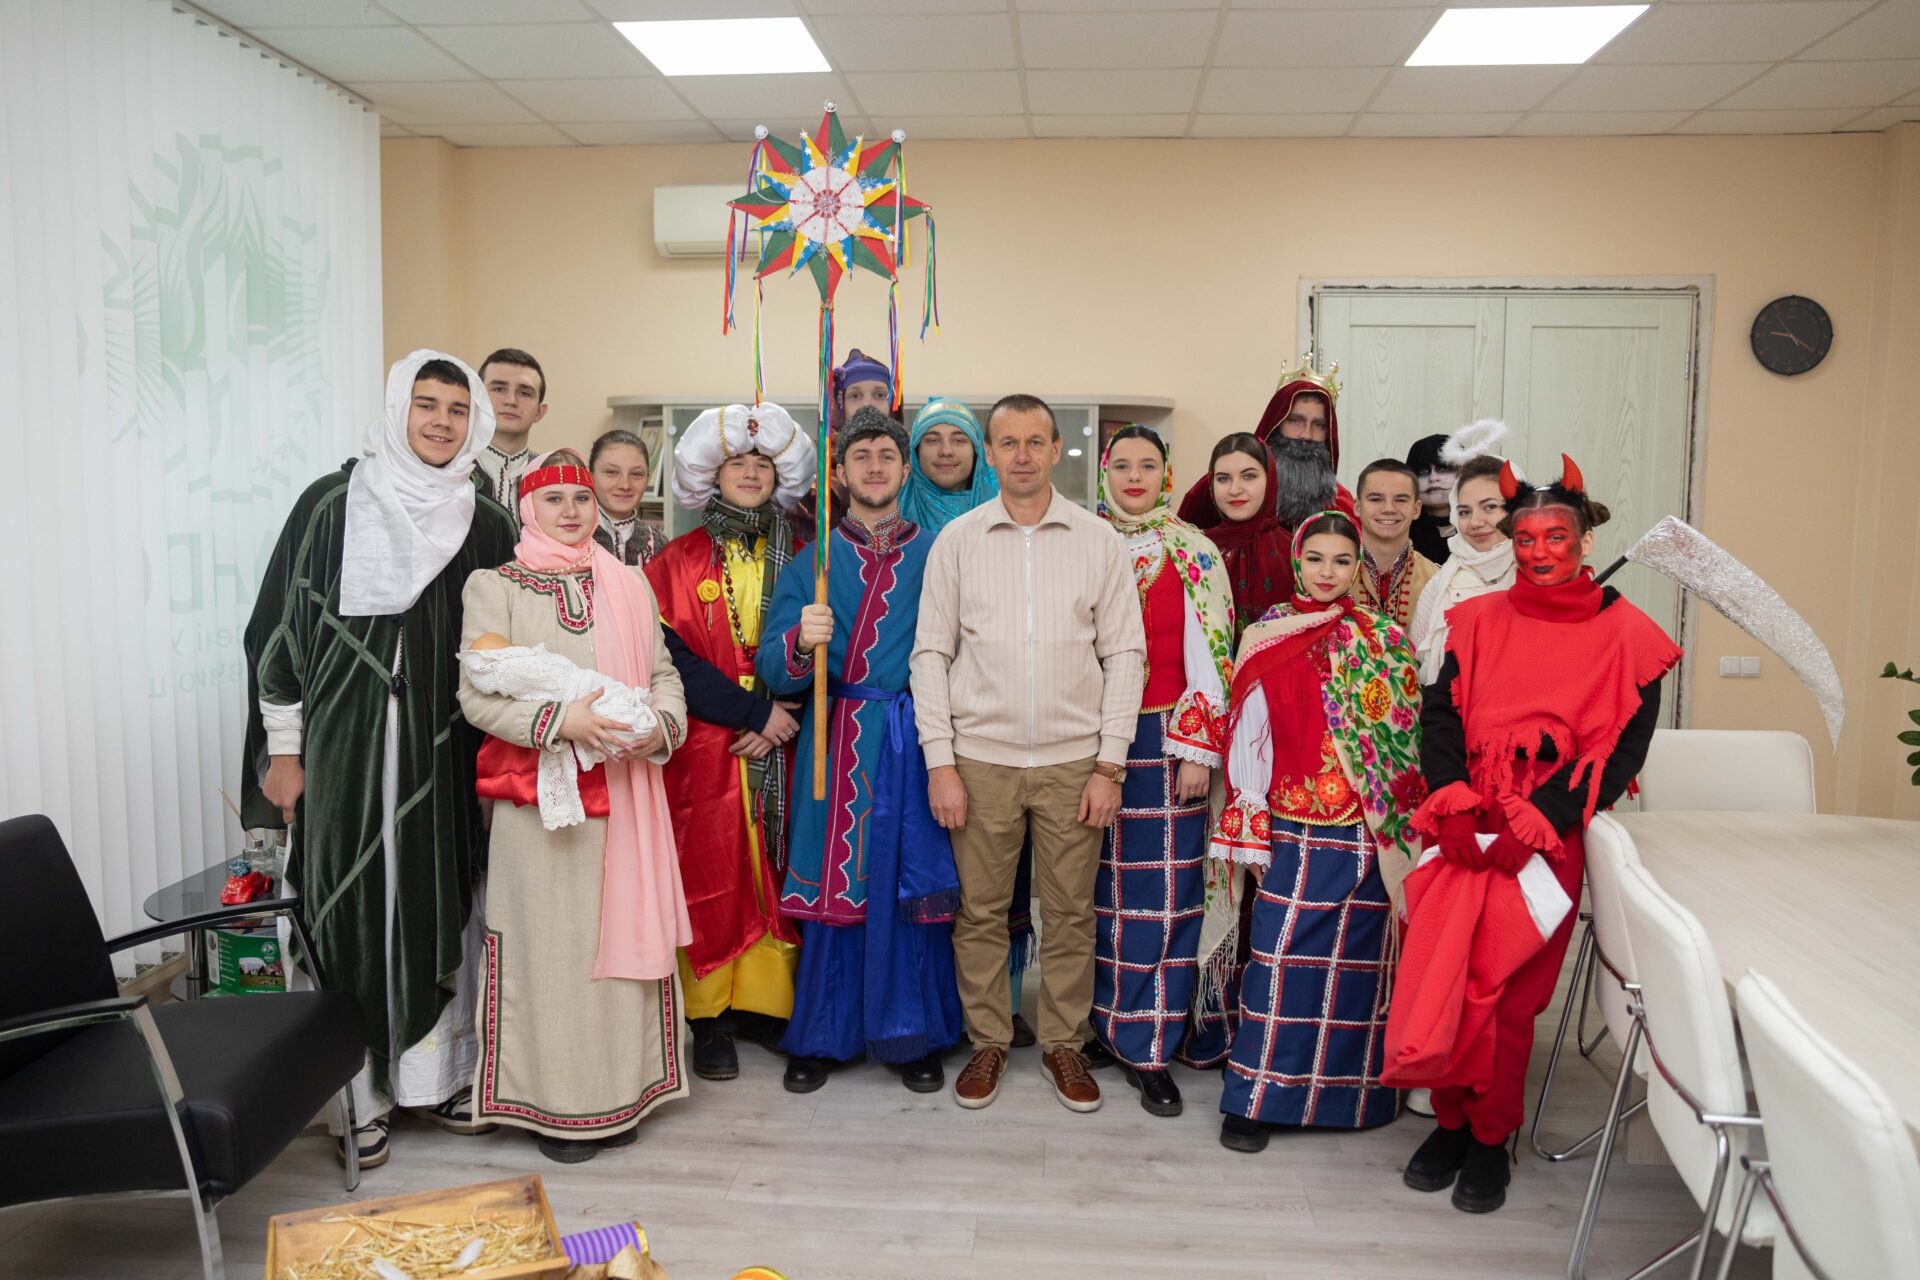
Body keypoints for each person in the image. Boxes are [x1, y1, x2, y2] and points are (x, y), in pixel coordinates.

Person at [241, 350, 517, 1168]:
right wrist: (284, 753)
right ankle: (354, 1099)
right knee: (347, 906)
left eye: (457, 410)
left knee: (440, 897)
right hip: (343, 744)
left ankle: (437, 1080)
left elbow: (509, 646)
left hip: (447, 746)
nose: (441, 422)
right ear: (399, 410)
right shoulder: (332, 504)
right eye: (426, 405)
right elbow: (280, 633)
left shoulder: (488, 522)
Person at [1400, 455, 1678, 1213]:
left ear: (1585, 540)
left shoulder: (1630, 636)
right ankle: (1451, 1122)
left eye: (1556, 536)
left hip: (1546, 832)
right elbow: (1440, 715)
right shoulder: (1478, 619)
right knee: (1449, 976)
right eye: (1525, 538)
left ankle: (1492, 1136)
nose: (1539, 551)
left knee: (1511, 996)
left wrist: (1547, 816)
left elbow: (1622, 749)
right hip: (1465, 817)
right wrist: (1452, 797)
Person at [912, 393, 1145, 1114]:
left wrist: (1109, 764)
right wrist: (940, 761)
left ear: (1055, 450)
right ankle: (987, 1039)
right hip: (979, 759)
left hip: (1076, 761)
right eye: (1007, 443)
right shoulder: (959, 541)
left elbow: (1125, 654)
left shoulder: (1097, 540)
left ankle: (1063, 1044)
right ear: (990, 452)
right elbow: (930, 654)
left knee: (1071, 913)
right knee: (980, 911)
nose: (1021, 455)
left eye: (1034, 442)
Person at [456, 450, 690, 1163]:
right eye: (552, 499)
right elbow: (475, 696)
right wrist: (563, 722)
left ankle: (626, 1092)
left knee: (616, 953)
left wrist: (661, 727)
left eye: (581, 499)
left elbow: (662, 673)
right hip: (540, 805)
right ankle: (555, 1108)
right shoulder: (495, 586)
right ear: (528, 509)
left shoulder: (629, 584)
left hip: (627, 792)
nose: (569, 510)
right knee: (552, 955)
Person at [759, 406, 965, 1094]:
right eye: (860, 457)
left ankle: (914, 1034)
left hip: (912, 735)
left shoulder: (940, 551)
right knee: (832, 885)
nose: (874, 467)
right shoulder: (814, 559)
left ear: (905, 471)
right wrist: (800, 640)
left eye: (886, 456)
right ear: (840, 473)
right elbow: (773, 667)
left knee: (906, 885)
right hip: (834, 735)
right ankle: (822, 1034)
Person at [1211, 510, 1426, 1152]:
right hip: (1291, 826)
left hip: (1366, 833)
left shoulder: (1384, 640)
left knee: (1355, 968)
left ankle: (1349, 1098)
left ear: (1356, 566)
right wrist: (1250, 822)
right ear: (1297, 562)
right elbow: (1249, 732)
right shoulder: (1266, 634)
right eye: (1315, 559)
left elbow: (1404, 744)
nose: (1327, 572)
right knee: (1278, 959)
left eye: (1341, 561)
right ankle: (1256, 1097)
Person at [645, 402, 817, 1081]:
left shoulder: (805, 557)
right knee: (710, 870)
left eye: (762, 463)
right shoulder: (675, 560)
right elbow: (670, 660)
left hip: (787, 732)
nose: (750, 473)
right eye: (738, 463)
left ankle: (768, 1005)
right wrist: (751, 713)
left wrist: (780, 715)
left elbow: (831, 645)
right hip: (708, 739)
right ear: (713, 474)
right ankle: (709, 1016)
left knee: (777, 866)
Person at [1088, 426, 1237, 1117]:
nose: (1134, 476)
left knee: (1168, 894)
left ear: (1168, 475)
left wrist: (1199, 750)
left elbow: (1212, 652)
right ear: (1104, 472)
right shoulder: (1082, 542)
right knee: (1094, 893)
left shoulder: (1194, 550)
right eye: (1122, 464)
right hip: (1087, 738)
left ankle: (1150, 1042)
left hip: (1167, 738)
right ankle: (1104, 1021)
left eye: (1148, 465)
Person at [1178, 355, 1352, 531]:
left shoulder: (1340, 505)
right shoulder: (1213, 491)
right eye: (1295, 421)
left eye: (1319, 425)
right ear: (1275, 423)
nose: (1306, 435)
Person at [1407, 453, 1516, 684]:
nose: (1475, 522)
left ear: (1517, 510)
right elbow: (1416, 669)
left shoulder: (1539, 580)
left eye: (1490, 507)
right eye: (1464, 512)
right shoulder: (1440, 584)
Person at [786, 348, 889, 542]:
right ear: (839, 407)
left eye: (880, 395)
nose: (868, 405)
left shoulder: (913, 470)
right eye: (855, 396)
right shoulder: (819, 489)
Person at [1202, 433, 1296, 635]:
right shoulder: (1194, 548)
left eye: (1249, 476)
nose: (1235, 489)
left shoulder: (1296, 552)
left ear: (1270, 479)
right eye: (1223, 478)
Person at [1351, 458, 1439, 628]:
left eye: (1400, 500)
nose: (1388, 509)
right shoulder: (1329, 575)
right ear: (1357, 507)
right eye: (1376, 499)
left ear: (1416, 509)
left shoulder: (1437, 580)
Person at [899, 396, 998, 533]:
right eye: (933, 440)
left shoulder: (1006, 512)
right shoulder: (888, 514)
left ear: (976, 451)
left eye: (958, 440)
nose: (946, 451)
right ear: (916, 452)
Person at [475, 348, 548, 523]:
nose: (511, 400)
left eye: (524, 393)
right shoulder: (452, 470)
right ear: (476, 400)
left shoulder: (551, 475)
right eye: (499, 389)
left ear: (539, 412)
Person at [590, 428, 667, 566]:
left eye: (636, 474)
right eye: (611, 472)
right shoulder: (572, 537)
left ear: (648, 478)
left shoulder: (659, 544)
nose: (625, 485)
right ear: (591, 476)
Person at [1405, 433, 1456, 566]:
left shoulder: (1483, 526)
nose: (1433, 478)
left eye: (1443, 469)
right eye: (1423, 472)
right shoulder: (1400, 531)